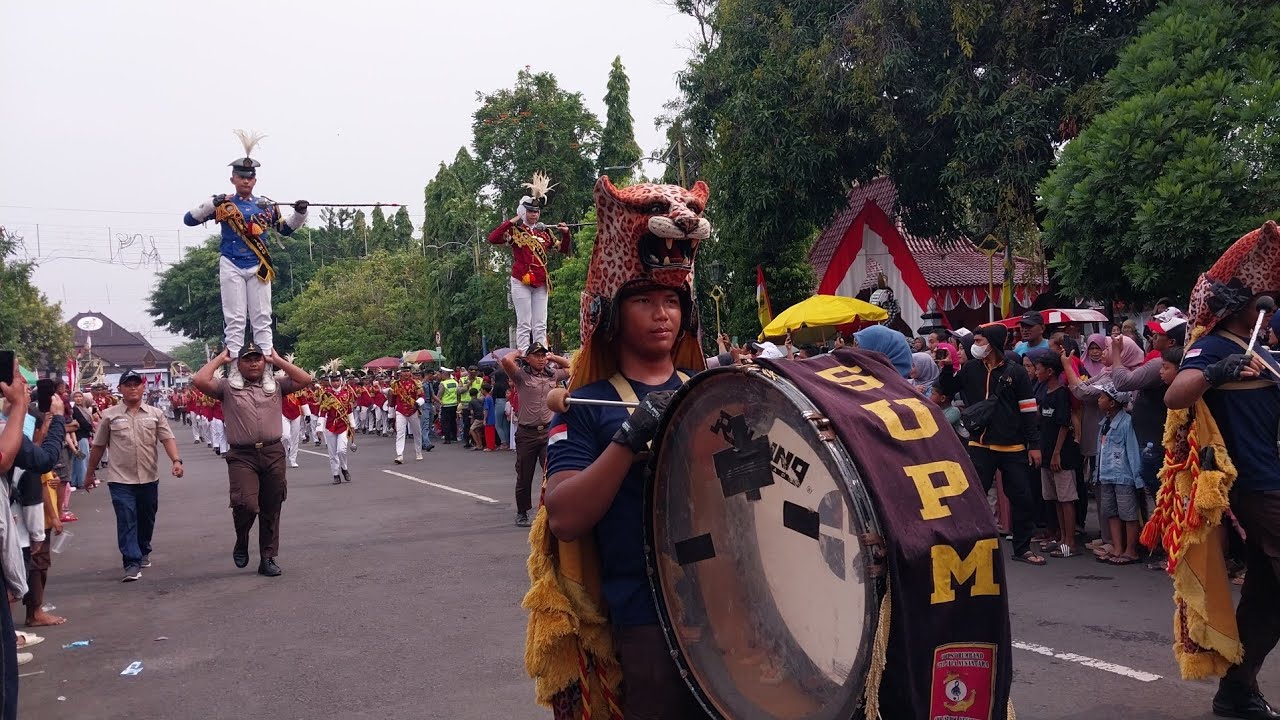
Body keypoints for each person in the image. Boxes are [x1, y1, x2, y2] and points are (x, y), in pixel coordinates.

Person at [183, 131, 307, 392]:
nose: (246, 181)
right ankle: (234, 368)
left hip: (258, 264)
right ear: (233, 179)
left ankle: (268, 372)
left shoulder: (266, 205)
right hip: (231, 263)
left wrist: (300, 212)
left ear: (255, 180)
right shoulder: (224, 203)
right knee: (235, 319)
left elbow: (285, 229)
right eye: (241, 177)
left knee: (262, 318)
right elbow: (190, 220)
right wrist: (210, 203)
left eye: (250, 178)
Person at [192, 345, 311, 577]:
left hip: (272, 452)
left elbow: (305, 379)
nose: (254, 363)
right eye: (248, 360)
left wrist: (276, 358)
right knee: (246, 504)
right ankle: (242, 538)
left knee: (272, 506)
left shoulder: (275, 386)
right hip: (242, 456)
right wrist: (221, 358)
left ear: (264, 362)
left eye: (258, 359)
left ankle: (267, 557)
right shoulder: (226, 388)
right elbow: (199, 379)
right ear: (239, 364)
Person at [938, 323, 1045, 565]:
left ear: (993, 344)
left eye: (979, 341)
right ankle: (970, 547)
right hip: (980, 446)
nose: (975, 347)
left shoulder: (1016, 373)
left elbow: (1028, 410)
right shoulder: (970, 369)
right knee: (973, 499)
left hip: (1013, 447)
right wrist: (945, 369)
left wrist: (1034, 444)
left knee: (1022, 499)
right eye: (975, 341)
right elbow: (947, 389)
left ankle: (1022, 548)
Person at [85, 370, 183, 582]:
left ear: (143, 387)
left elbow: (167, 438)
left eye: (136, 384)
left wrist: (176, 461)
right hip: (120, 479)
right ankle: (131, 562)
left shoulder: (155, 414)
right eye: (128, 384)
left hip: (149, 476)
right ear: (120, 389)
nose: (132, 388)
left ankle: (143, 548)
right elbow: (99, 446)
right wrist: (90, 472)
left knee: (146, 517)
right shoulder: (109, 415)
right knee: (126, 517)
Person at [487, 173, 573, 351]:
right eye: (530, 211)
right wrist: (512, 220)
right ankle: (525, 354)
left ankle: (543, 354)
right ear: (522, 211)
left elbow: (563, 250)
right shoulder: (516, 232)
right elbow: (493, 238)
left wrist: (566, 234)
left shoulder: (544, 233)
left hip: (541, 282)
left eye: (536, 211)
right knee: (524, 322)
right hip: (521, 280)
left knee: (540, 323)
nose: (534, 214)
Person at [501, 344, 571, 526]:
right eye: (536, 355)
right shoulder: (520, 376)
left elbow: (571, 367)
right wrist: (519, 351)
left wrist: (553, 357)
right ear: (528, 358)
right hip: (527, 434)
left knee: (553, 473)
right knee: (525, 475)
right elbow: (506, 361)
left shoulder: (552, 374)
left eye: (543, 355)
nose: (541, 359)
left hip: (548, 431)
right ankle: (522, 512)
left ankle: (551, 510)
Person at [1032, 353, 1080, 557]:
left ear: (1050, 371)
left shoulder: (1061, 394)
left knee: (1066, 498)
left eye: (1038, 368)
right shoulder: (1044, 391)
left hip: (1060, 454)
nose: (1036, 372)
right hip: (1045, 450)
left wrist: (1057, 453)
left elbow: (1063, 424)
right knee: (1055, 498)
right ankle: (1061, 538)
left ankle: (1070, 542)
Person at [1094, 384, 1142, 565]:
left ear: (1112, 402)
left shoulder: (1126, 423)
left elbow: (1132, 450)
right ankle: (1117, 547)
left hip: (1123, 476)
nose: (1099, 400)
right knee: (1111, 513)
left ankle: (1131, 550)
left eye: (1102, 397)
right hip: (1106, 474)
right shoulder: (1105, 423)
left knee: (1128, 513)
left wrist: (1137, 478)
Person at [319, 371, 354, 484]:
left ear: (341, 380)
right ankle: (335, 474)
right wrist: (319, 427)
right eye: (333, 381)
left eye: (337, 380)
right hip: (330, 426)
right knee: (332, 453)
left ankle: (344, 468)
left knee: (341, 450)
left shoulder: (347, 393)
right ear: (330, 382)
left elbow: (349, 410)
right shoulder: (326, 395)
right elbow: (323, 411)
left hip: (343, 425)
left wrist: (353, 425)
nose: (335, 383)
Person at [389, 364, 425, 465]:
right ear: (401, 372)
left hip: (413, 410)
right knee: (400, 433)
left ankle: (418, 451)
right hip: (400, 411)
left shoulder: (416, 383)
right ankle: (399, 455)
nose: (406, 373)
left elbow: (422, 396)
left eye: (407, 371)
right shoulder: (395, 384)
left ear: (410, 372)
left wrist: (418, 403)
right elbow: (393, 399)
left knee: (417, 432)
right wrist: (391, 413)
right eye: (404, 371)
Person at [436, 369, 459, 445]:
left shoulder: (443, 383)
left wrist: (437, 402)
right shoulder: (455, 382)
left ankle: (447, 439)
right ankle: (454, 437)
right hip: (454, 404)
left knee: (445, 422)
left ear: (444, 374)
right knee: (453, 421)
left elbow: (440, 394)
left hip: (445, 405)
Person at [491, 367, 511, 451]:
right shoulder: (507, 384)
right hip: (507, 402)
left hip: (499, 402)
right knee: (505, 424)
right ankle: (507, 441)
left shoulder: (497, 385)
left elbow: (493, 395)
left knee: (498, 424)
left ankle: (503, 442)